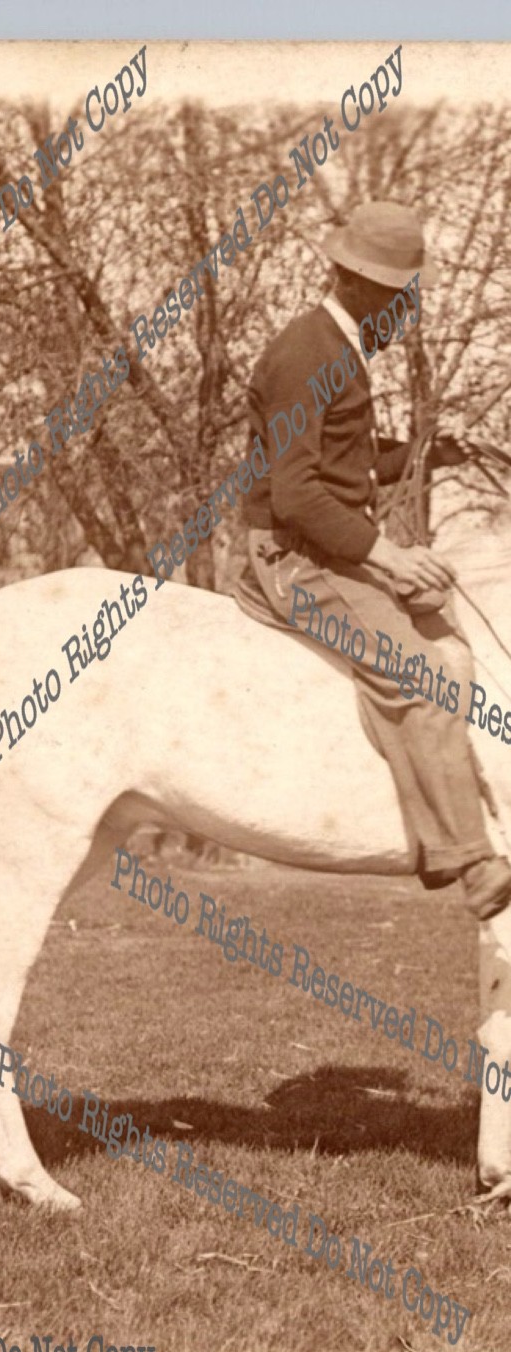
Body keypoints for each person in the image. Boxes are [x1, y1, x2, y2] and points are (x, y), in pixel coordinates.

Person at [243, 200, 511, 919]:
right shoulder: (306, 355)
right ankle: (469, 858)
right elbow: (296, 496)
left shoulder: (340, 348)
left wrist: (426, 454)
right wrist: (388, 556)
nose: (405, 312)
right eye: (399, 297)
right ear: (357, 284)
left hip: (326, 543)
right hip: (292, 557)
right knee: (423, 676)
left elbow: (346, 473)